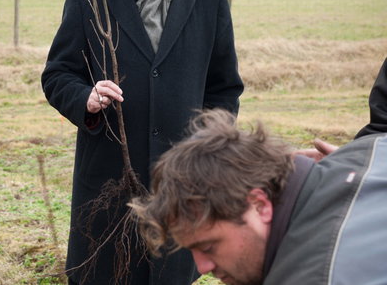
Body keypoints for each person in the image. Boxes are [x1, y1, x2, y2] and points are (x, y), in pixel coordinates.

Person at [41, 0, 243, 283]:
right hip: (107, 183)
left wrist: (208, 149)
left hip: (181, 185)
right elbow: (57, 75)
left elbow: (225, 88)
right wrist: (85, 97)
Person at [131, 108, 387, 285]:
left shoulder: (317, 275)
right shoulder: (372, 150)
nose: (202, 268)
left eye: (209, 246)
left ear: (259, 204)